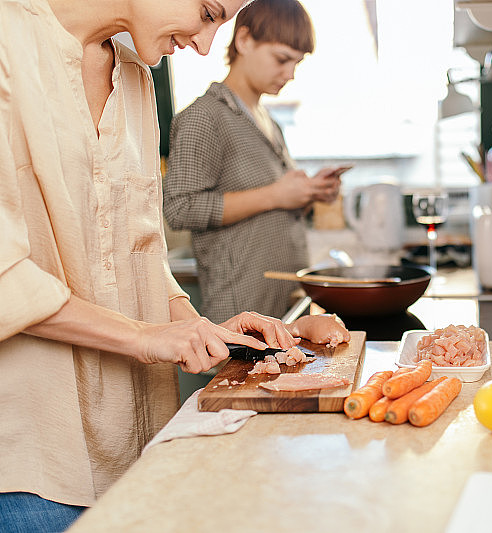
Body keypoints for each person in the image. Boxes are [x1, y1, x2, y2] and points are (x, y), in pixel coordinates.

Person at [0, 0, 298, 530]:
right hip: (32, 456)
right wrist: (142, 336)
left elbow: (139, 251)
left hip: (135, 440)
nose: (206, 45)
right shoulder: (7, 43)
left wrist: (195, 326)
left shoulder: (137, 75)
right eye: (207, 12)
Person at [164, 0, 343, 323]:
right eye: (281, 59)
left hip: (280, 306)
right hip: (239, 311)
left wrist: (308, 195)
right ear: (244, 40)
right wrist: (276, 194)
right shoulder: (204, 116)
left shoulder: (266, 119)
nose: (289, 74)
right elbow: (179, 208)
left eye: (296, 64)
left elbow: (269, 206)